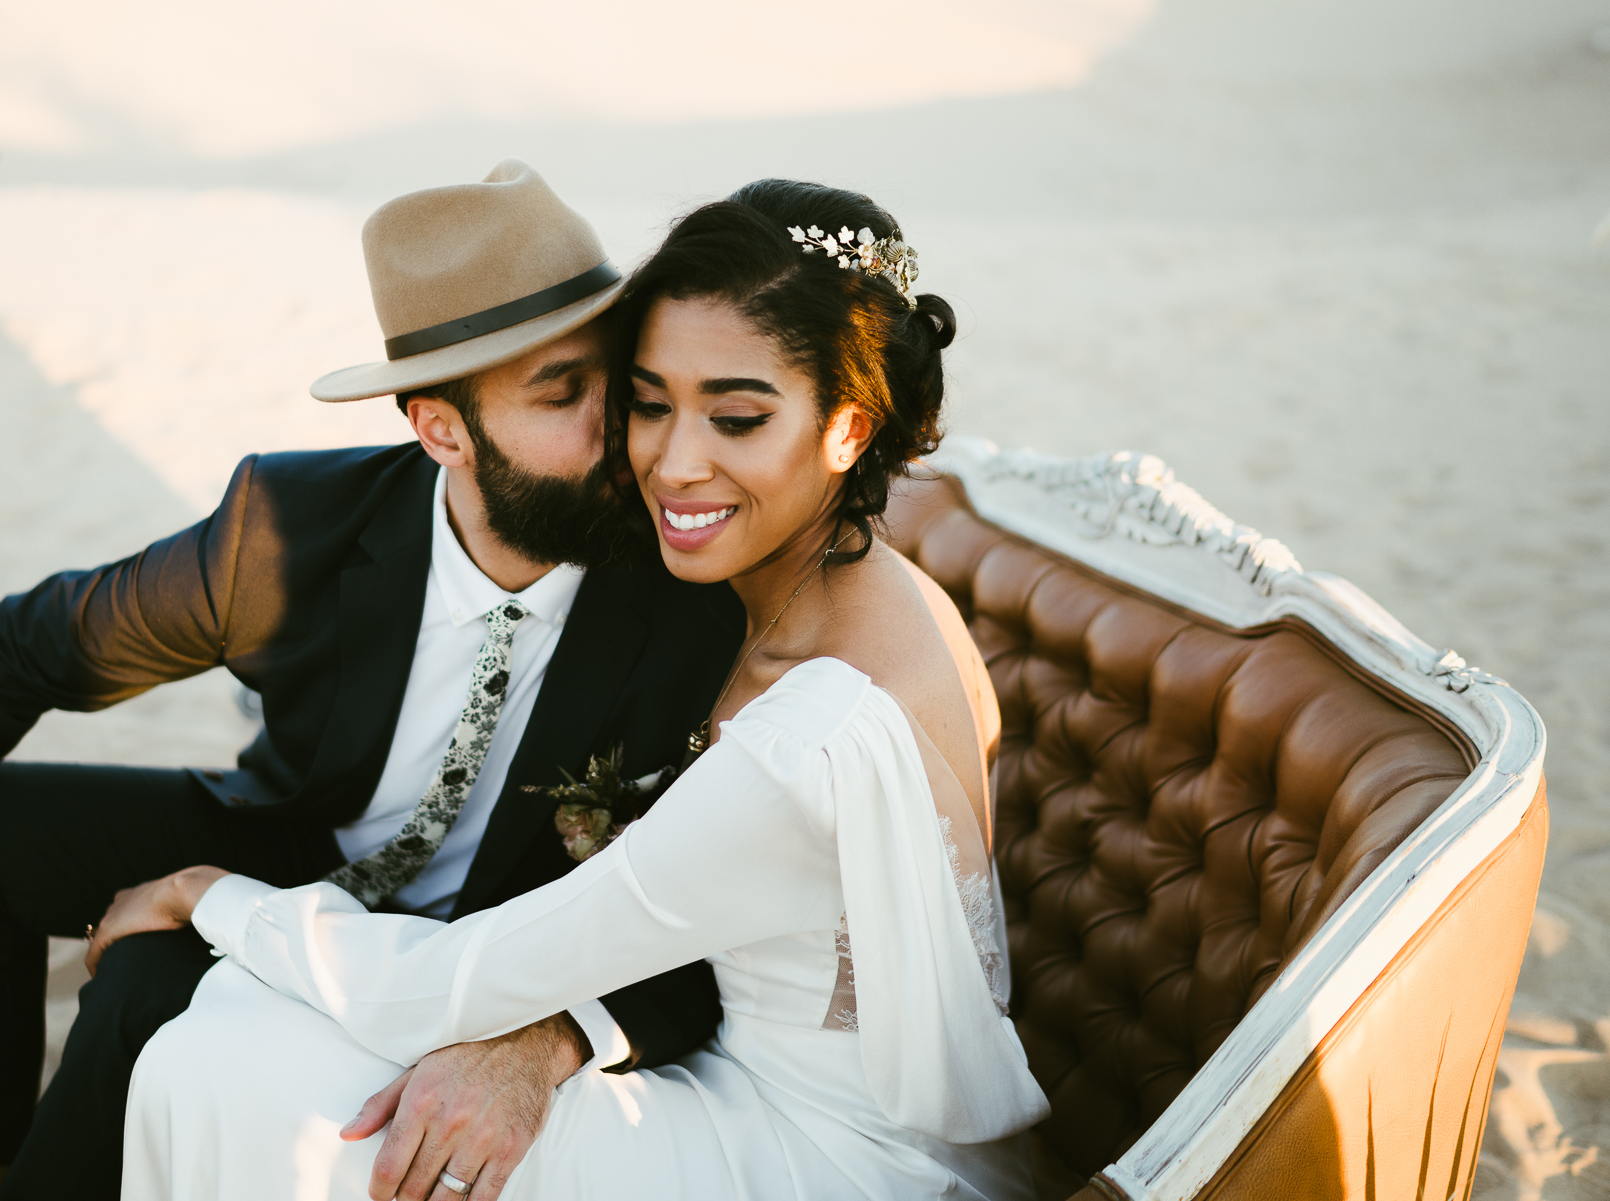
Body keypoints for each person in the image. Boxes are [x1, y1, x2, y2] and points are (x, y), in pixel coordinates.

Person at [0, 159, 747, 1201]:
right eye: (561, 392)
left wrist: (555, 1034)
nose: (621, 424)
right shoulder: (288, 527)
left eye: (619, 374)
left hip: (499, 946)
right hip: (294, 848)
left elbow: (733, 889)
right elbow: (6, 652)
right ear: (441, 429)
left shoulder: (693, 579)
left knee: (149, 984)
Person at [104, 180, 1052, 1200]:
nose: (671, 462)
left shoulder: (807, 736)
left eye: (735, 417)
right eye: (647, 403)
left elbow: (454, 981)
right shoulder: (869, 589)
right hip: (758, 1086)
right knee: (232, 1033)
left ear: (849, 428)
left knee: (225, 1070)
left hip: (819, 1162)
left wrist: (212, 897)